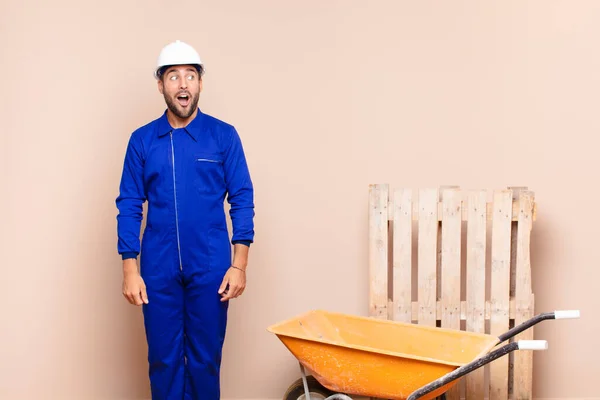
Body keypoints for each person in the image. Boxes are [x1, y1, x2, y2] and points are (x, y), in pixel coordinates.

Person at [115, 40, 255, 400]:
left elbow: (242, 199)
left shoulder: (223, 136)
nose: (182, 84)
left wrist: (239, 266)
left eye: (190, 76)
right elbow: (130, 203)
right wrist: (130, 268)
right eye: (173, 76)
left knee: (205, 360)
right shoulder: (142, 141)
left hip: (210, 266)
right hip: (158, 268)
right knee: (163, 360)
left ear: (200, 84)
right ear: (161, 85)